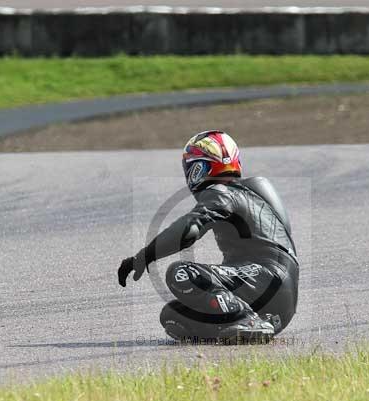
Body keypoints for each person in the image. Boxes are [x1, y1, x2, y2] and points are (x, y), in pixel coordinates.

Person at [118, 130, 299, 343]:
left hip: (264, 279)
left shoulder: (222, 193)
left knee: (182, 272)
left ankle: (247, 320)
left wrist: (145, 255)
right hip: (281, 298)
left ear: (197, 168)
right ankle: (239, 325)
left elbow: (189, 230)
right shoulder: (256, 190)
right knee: (174, 315)